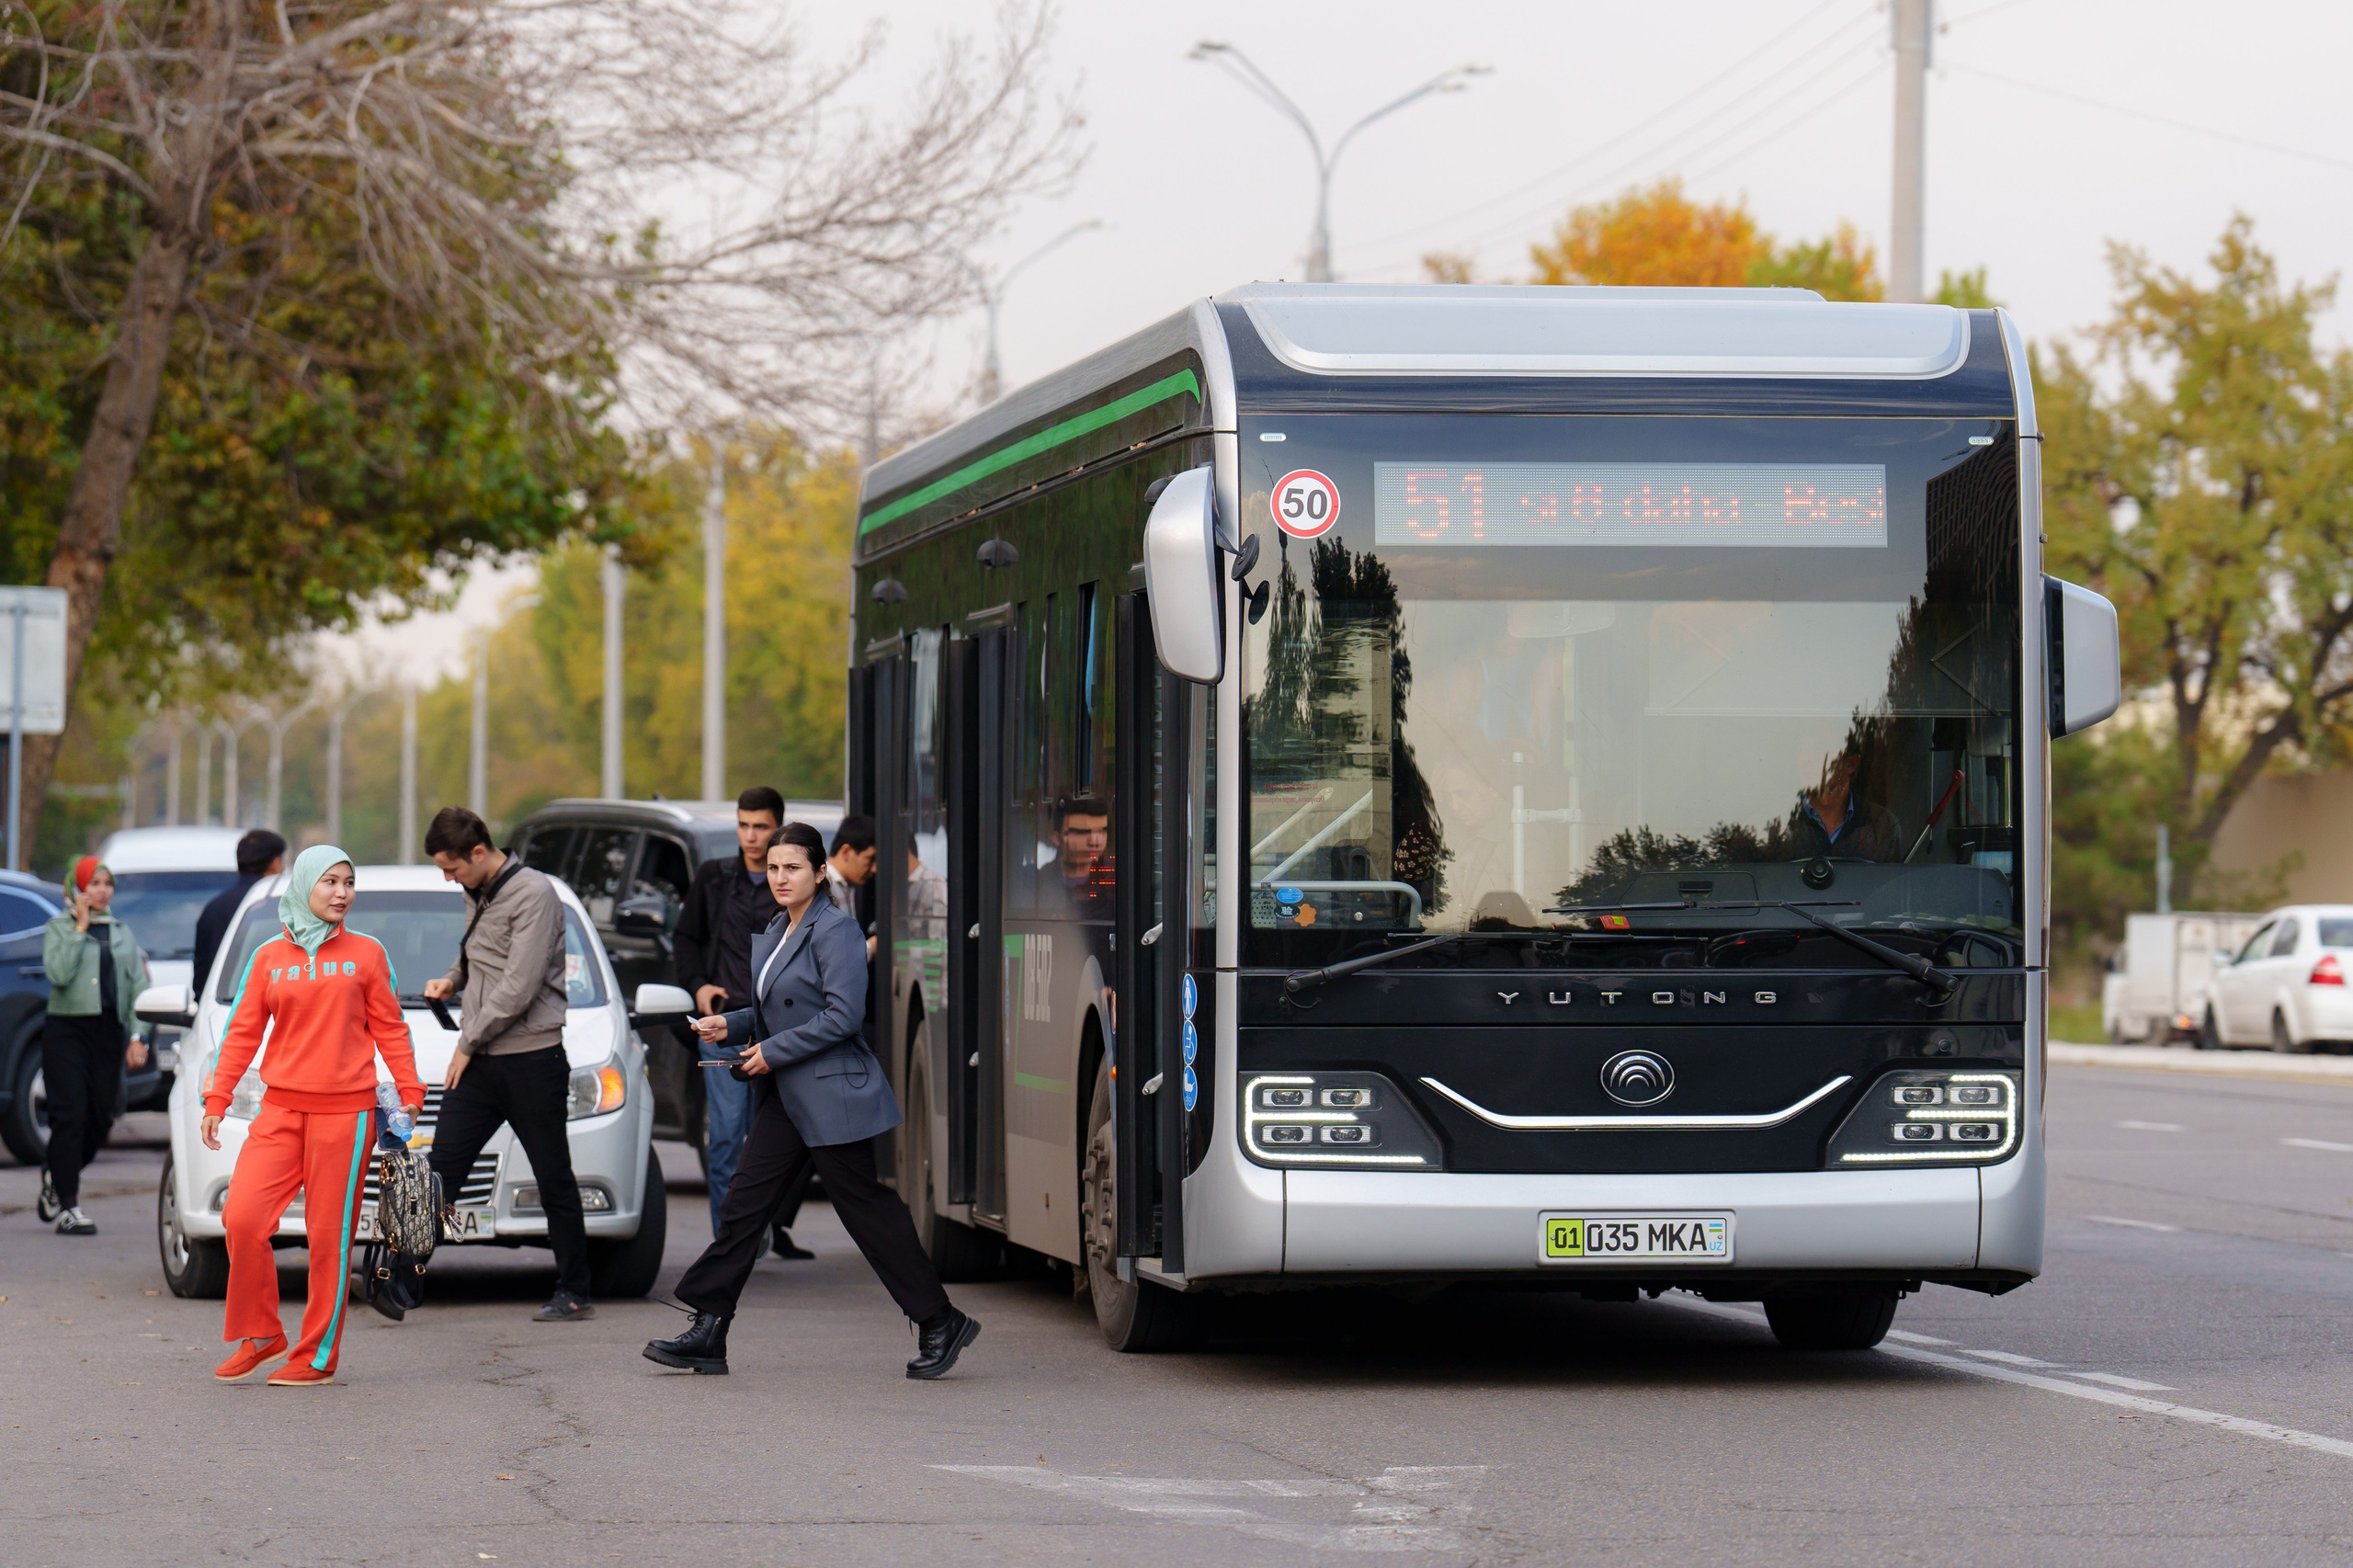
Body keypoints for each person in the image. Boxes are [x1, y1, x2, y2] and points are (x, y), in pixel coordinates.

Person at [645, 823, 980, 1381]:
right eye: (774, 867)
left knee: (867, 1213)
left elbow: (842, 1017)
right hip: (791, 1095)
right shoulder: (779, 927)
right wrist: (726, 1024)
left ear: (820, 872)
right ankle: (709, 1329)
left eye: (793, 867)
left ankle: (941, 1321)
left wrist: (771, 1052)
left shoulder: (837, 930)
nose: (780, 877)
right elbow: (781, 1011)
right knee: (744, 1206)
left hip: (832, 1094)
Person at [202, 847, 425, 1386]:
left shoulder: (368, 954)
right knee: (243, 1218)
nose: (342, 892)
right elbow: (241, 1035)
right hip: (279, 1110)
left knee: (329, 1238)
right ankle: (262, 1334)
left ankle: (317, 1355)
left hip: (345, 1117)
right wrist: (217, 1099)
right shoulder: (268, 958)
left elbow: (391, 1028)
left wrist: (410, 1093)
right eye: (330, 882)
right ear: (303, 885)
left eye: (349, 882)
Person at [419, 805, 596, 1322]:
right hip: (482, 1062)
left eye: (451, 869)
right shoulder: (478, 889)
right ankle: (402, 1277)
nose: (449, 879)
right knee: (441, 1169)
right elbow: (481, 955)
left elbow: (519, 986)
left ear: (478, 852)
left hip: (530, 1058)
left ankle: (574, 1289)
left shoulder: (535, 894)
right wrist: (453, 979)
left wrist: (466, 1042)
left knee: (553, 1176)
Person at [674, 787, 790, 1244]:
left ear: (777, 827)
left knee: (773, 1142)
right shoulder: (714, 878)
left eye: (760, 826)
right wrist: (699, 985)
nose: (750, 835)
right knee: (723, 1139)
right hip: (722, 1026)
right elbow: (685, 940)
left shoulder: (792, 884)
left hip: (778, 1031)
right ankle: (731, 1242)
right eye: (743, 825)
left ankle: (756, 1224)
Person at [37, 858, 149, 1235]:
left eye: (107, 883)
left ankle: (56, 1172)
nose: (102, 890)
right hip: (66, 1032)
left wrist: (138, 1036)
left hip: (107, 1034)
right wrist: (79, 927)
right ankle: (69, 1205)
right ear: (77, 887)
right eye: (94, 883)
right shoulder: (58, 928)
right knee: (70, 1116)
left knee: (101, 1119)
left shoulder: (121, 932)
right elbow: (58, 973)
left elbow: (138, 989)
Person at [192, 829, 286, 996]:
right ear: (275, 863)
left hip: (222, 1009)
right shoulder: (281, 905)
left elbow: (201, 977)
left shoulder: (214, 908)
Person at [1790, 744, 1901, 862]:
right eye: (1801, 751)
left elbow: (1896, 880)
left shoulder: (1883, 825)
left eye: (1819, 750)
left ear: (1851, 763)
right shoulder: (1778, 826)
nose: (1808, 761)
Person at [1051, 794, 1113, 920]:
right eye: (1082, 832)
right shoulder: (1035, 884)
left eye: (1101, 831)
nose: (1095, 841)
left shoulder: (1114, 879)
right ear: (1057, 838)